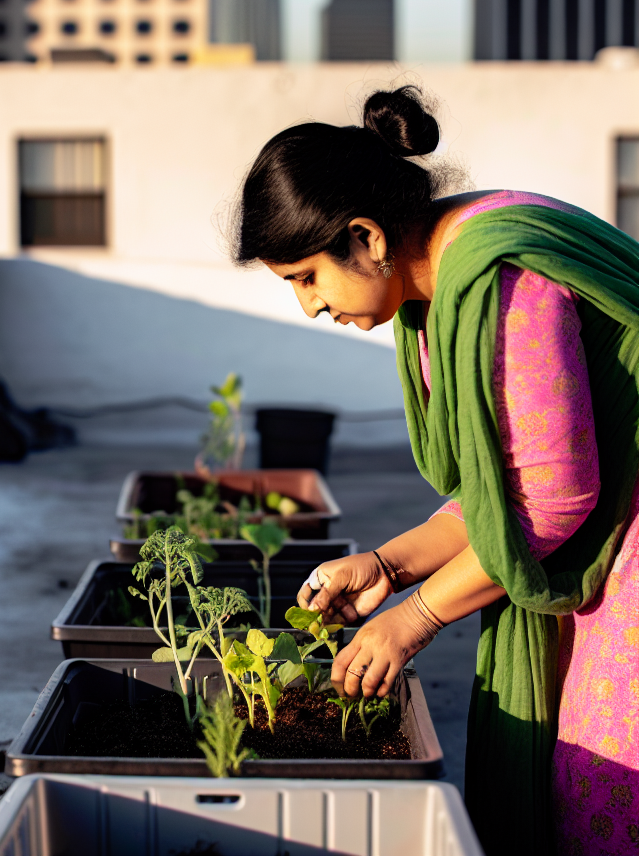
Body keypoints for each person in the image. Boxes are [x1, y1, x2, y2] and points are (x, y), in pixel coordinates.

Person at [232, 86, 638, 856]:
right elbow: (500, 494)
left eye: (306, 277)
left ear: (365, 236)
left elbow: (551, 503)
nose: (308, 306)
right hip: (616, 529)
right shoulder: (438, 276)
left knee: (609, 789)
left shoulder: (497, 281)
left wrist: (413, 621)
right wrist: (387, 564)